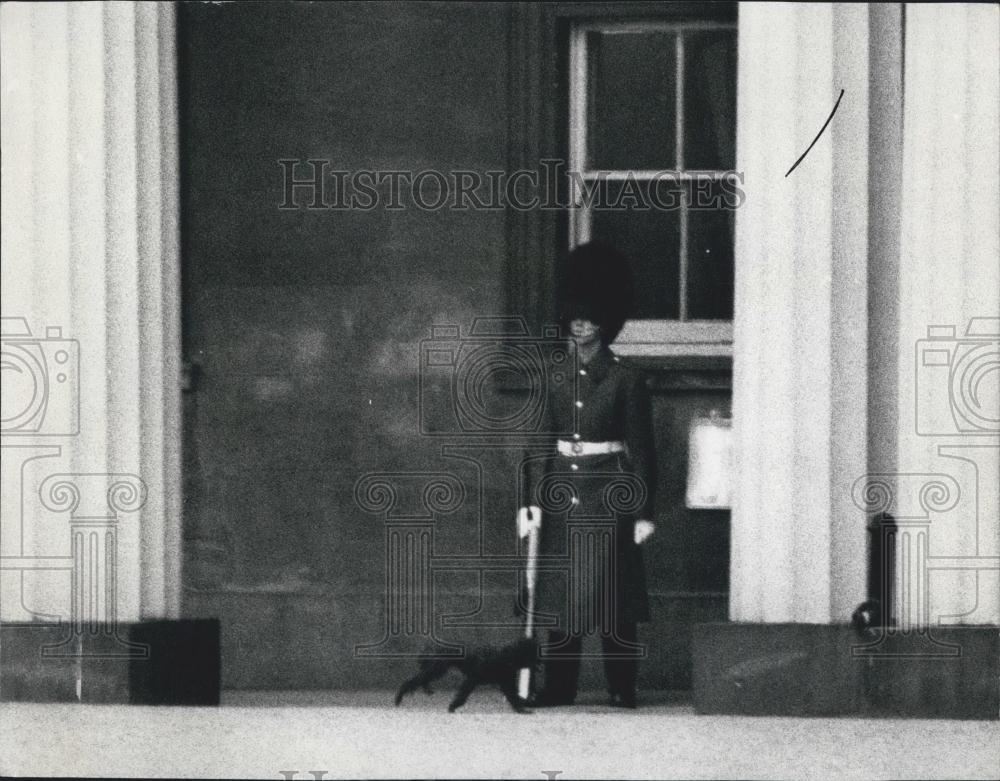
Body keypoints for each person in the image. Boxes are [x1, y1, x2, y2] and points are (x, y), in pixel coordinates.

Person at [518, 241, 656, 709]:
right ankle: (559, 687)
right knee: (560, 594)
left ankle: (622, 686)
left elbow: (641, 450)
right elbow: (538, 442)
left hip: (610, 494)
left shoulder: (626, 378)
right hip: (561, 494)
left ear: (605, 320)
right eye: (574, 316)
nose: (579, 324)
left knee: (614, 597)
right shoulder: (553, 375)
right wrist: (528, 502)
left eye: (588, 316)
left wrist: (643, 511)